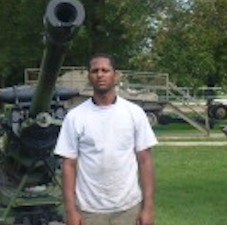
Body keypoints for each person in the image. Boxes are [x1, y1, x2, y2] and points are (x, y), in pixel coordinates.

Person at [54, 53, 158, 225]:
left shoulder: (134, 113)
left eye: (105, 70)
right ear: (89, 76)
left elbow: (145, 161)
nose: (100, 74)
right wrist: (71, 211)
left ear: (115, 75)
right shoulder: (75, 117)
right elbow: (68, 165)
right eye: (95, 71)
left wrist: (147, 209)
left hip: (128, 209)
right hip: (89, 211)